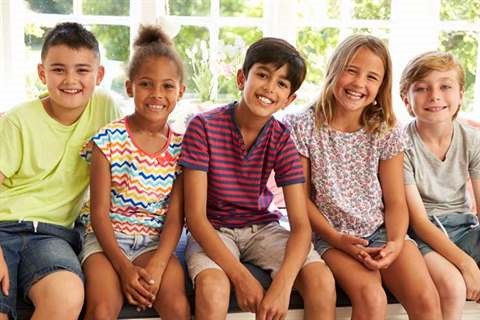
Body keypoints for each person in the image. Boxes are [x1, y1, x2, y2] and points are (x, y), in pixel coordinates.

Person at [285, 34, 442, 320]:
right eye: (351, 70)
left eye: (372, 77)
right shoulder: (302, 125)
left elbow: (395, 201)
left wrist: (395, 242)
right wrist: (336, 238)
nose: (359, 84)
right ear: (334, 69)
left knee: (428, 301)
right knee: (372, 299)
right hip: (329, 235)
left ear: (382, 85)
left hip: (381, 231)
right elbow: (301, 200)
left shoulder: (386, 129)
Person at [179, 37, 336, 320]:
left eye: (281, 83)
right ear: (242, 78)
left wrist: (283, 286)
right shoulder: (203, 127)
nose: (269, 87)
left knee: (321, 280)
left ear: (289, 99)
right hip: (213, 229)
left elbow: (301, 226)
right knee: (213, 288)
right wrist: (241, 277)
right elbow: (195, 217)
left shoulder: (282, 138)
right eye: (262, 75)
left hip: (262, 227)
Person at [0, 22, 120, 320]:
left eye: (82, 70)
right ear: (42, 73)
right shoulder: (17, 122)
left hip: (54, 236)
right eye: (58, 69)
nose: (71, 80)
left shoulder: (105, 108)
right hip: (2, 227)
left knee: (67, 294)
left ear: (99, 75)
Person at [79, 25, 190, 319]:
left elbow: (176, 216)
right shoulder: (108, 139)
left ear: (181, 91)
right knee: (102, 310)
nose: (156, 94)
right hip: (106, 242)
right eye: (146, 84)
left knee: (177, 307)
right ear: (129, 87)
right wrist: (124, 267)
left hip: (154, 244)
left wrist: (158, 264)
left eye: (167, 86)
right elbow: (99, 213)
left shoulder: (183, 147)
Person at [400, 51, 480, 319]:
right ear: (406, 100)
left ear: (460, 94)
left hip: (465, 227)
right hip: (422, 233)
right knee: (453, 286)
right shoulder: (400, 145)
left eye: (445, 86)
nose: (434, 95)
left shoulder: (473, 140)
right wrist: (466, 264)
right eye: (421, 89)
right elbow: (419, 222)